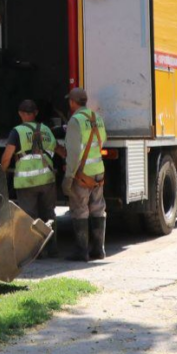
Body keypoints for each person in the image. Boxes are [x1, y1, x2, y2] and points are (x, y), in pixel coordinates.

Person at [0, 99, 64, 257]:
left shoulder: (17, 132)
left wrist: (1, 172)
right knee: (49, 214)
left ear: (20, 114)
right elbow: (59, 150)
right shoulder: (46, 130)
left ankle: (36, 252)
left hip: (26, 182)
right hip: (47, 179)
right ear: (35, 113)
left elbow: (7, 157)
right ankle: (52, 248)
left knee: (30, 217)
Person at [62, 87, 107, 262]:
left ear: (72, 102)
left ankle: (81, 251)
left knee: (80, 210)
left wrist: (69, 178)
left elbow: (73, 154)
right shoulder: (97, 118)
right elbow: (103, 140)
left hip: (82, 174)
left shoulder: (75, 121)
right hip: (98, 172)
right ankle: (98, 250)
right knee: (97, 208)